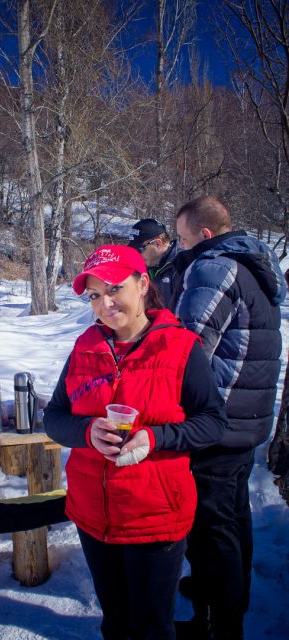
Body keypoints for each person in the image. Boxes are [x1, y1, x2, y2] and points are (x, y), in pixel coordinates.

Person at [43, 244, 228, 640]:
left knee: (150, 628)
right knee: (115, 622)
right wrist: (86, 432)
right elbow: (54, 417)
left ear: (143, 284)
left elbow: (214, 422)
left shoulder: (180, 347)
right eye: (95, 295)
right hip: (94, 515)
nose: (105, 303)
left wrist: (156, 436)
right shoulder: (84, 347)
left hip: (155, 517)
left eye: (114, 289)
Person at [172, 196, 287, 640]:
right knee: (233, 514)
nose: (180, 248)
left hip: (217, 418)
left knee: (209, 526)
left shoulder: (213, 267)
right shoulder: (252, 263)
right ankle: (226, 597)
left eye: (182, 239)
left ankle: (221, 623)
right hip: (248, 415)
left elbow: (189, 347)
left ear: (204, 234)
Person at [128, 217, 179, 306]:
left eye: (139, 250)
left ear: (158, 244)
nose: (136, 256)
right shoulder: (140, 268)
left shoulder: (182, 265)